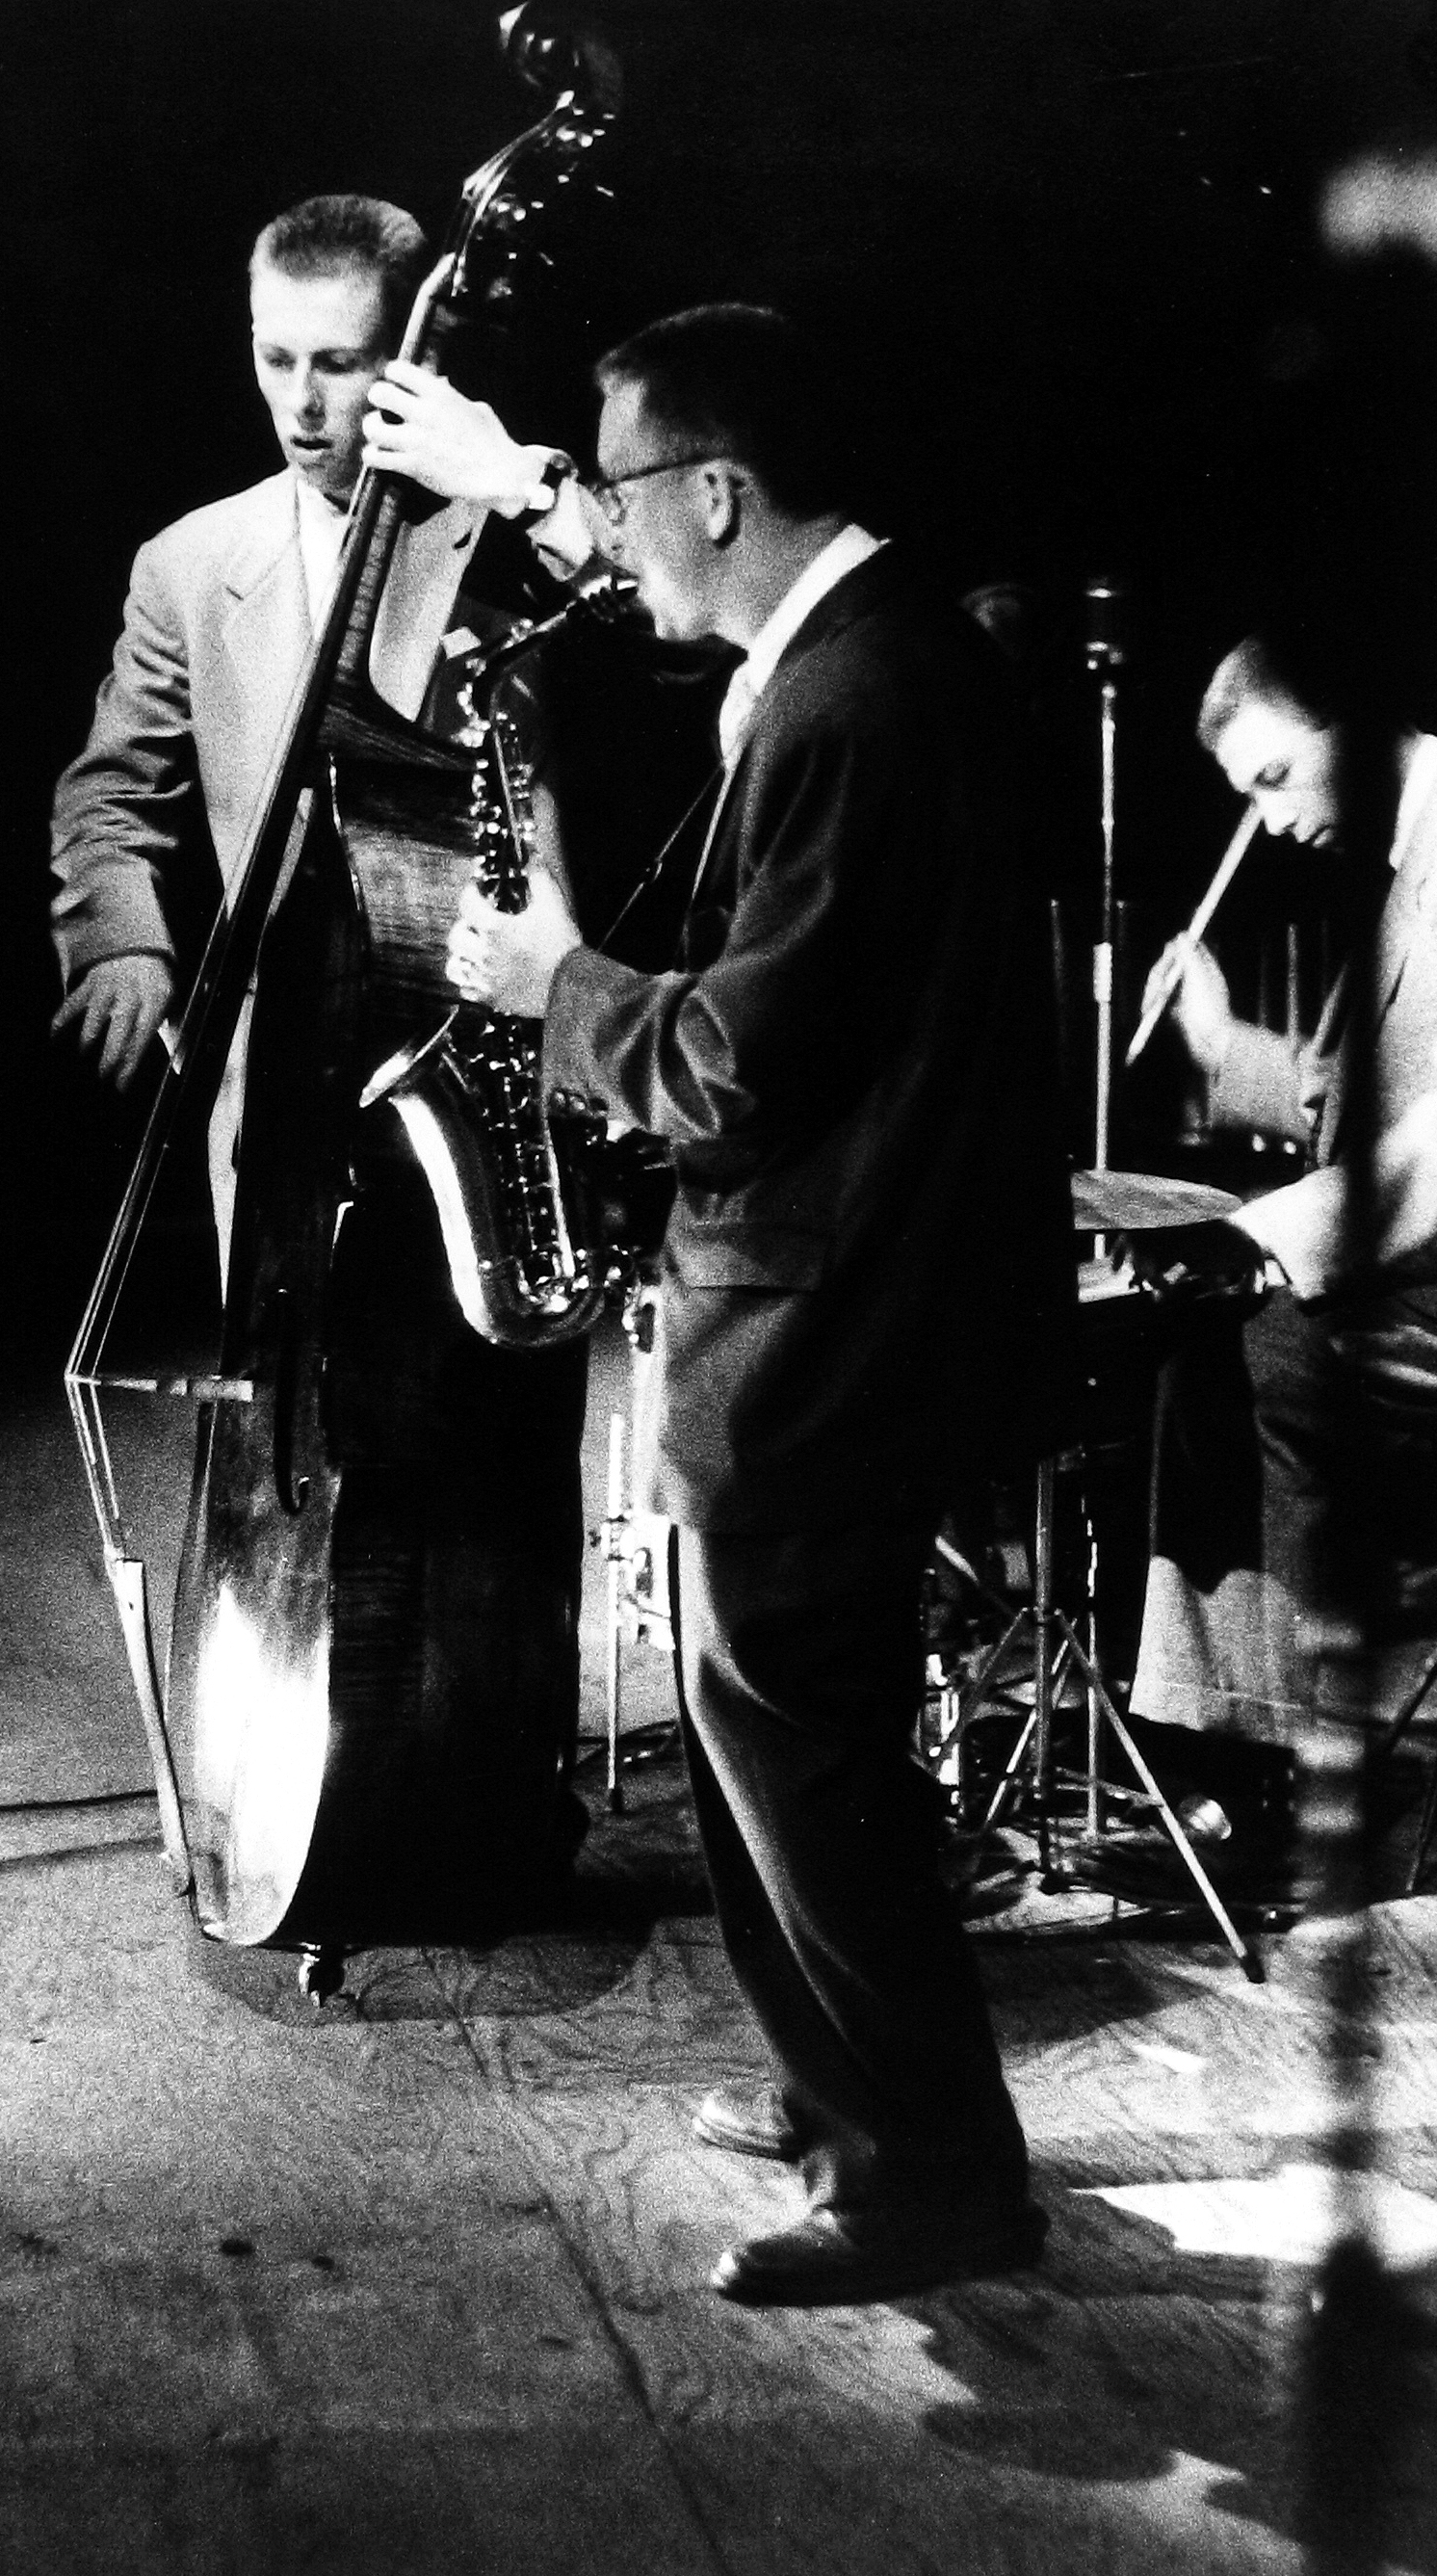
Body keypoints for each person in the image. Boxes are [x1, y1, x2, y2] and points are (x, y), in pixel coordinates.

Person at [364, 302, 1076, 2306]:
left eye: (623, 490)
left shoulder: (851, 697)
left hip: (835, 1314)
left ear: (722, 492)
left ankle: (928, 2173)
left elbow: (750, 1061)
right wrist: (523, 489)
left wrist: (554, 994)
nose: (610, 530)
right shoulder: (866, 651)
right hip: (851, 1296)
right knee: (783, 1720)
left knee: (795, 1730)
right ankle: (839, 2089)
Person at [50, 192, 484, 1270]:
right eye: (275, 357)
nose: (302, 405)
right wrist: (123, 941)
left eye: (338, 363)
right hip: (276, 1074)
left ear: (410, 356)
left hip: (472, 1068)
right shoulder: (188, 563)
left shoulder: (499, 534)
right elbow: (109, 791)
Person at [1128, 626, 1437, 1758]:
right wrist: (1219, 1040)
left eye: (1275, 777)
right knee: (1210, 1343)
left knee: (1277, 1347)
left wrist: (1260, 1238)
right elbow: (1352, 1108)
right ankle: (1239, 1730)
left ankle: (1329, 1741)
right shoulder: (1420, 851)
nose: (1272, 819)